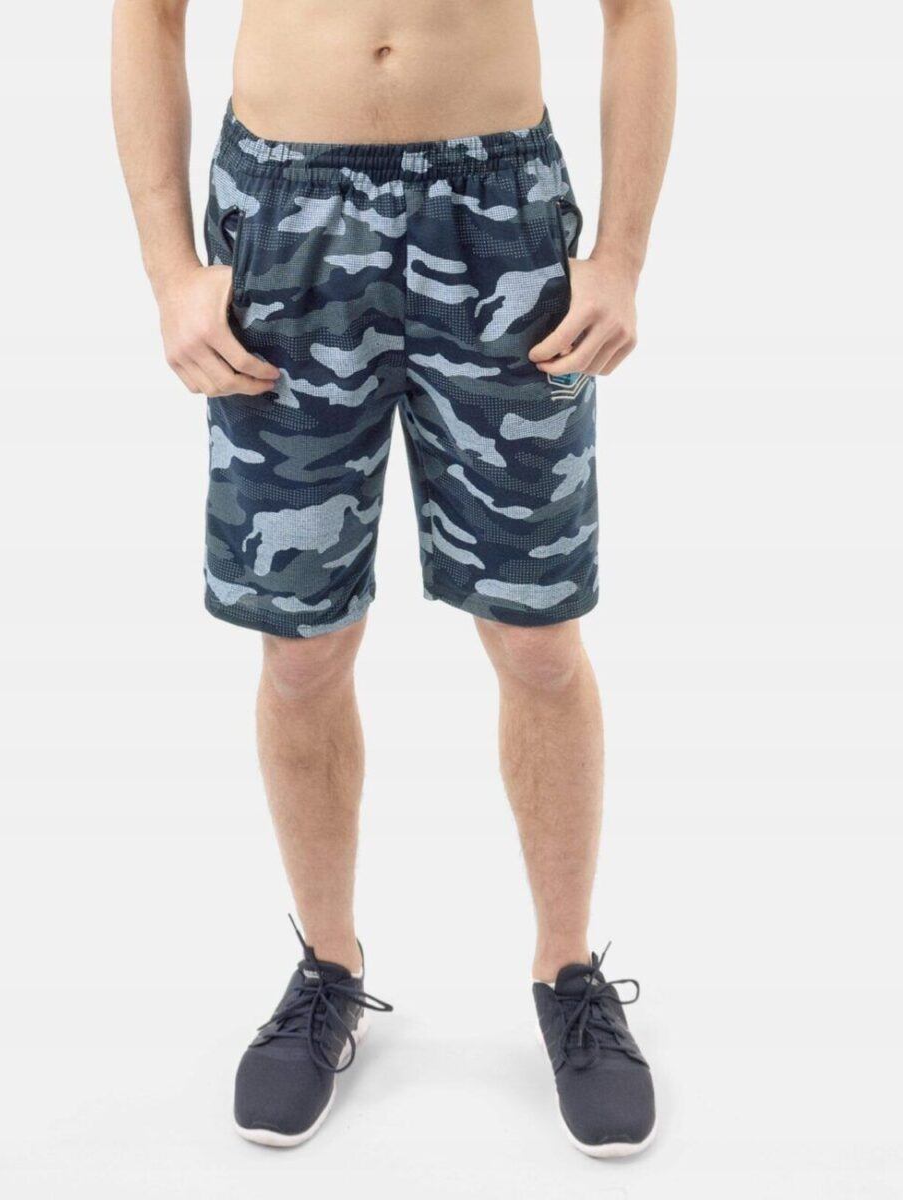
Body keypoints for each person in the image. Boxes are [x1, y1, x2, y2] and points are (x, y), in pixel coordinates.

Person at [112, 0, 676, 1158]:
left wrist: (619, 255)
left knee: (537, 636)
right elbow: (147, 16)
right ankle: (328, 967)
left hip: (498, 216)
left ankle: (566, 972)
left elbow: (635, 12)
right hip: (286, 217)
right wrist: (169, 270)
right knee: (301, 649)